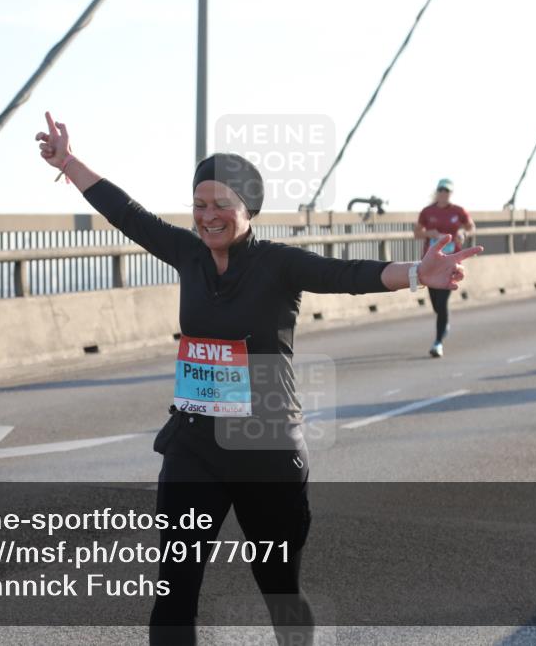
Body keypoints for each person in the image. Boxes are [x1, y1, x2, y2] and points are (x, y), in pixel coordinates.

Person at [36, 112, 483, 645]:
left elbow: (345, 275)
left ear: (248, 209)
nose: (208, 216)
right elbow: (125, 212)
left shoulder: (277, 263)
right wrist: (67, 162)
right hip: (194, 445)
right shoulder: (187, 253)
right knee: (174, 593)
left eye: (221, 204)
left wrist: (415, 273)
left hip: (265, 446)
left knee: (279, 590)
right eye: (199, 205)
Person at [413, 178, 476, 358]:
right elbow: (417, 233)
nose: (443, 193)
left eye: (447, 190)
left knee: (443, 301)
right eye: (441, 190)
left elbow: (471, 227)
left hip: (451, 263)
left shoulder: (458, 211)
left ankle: (438, 342)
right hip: (431, 262)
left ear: (451, 193)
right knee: (435, 304)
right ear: (437, 191)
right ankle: (443, 323)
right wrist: (428, 233)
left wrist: (463, 233)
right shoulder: (427, 211)